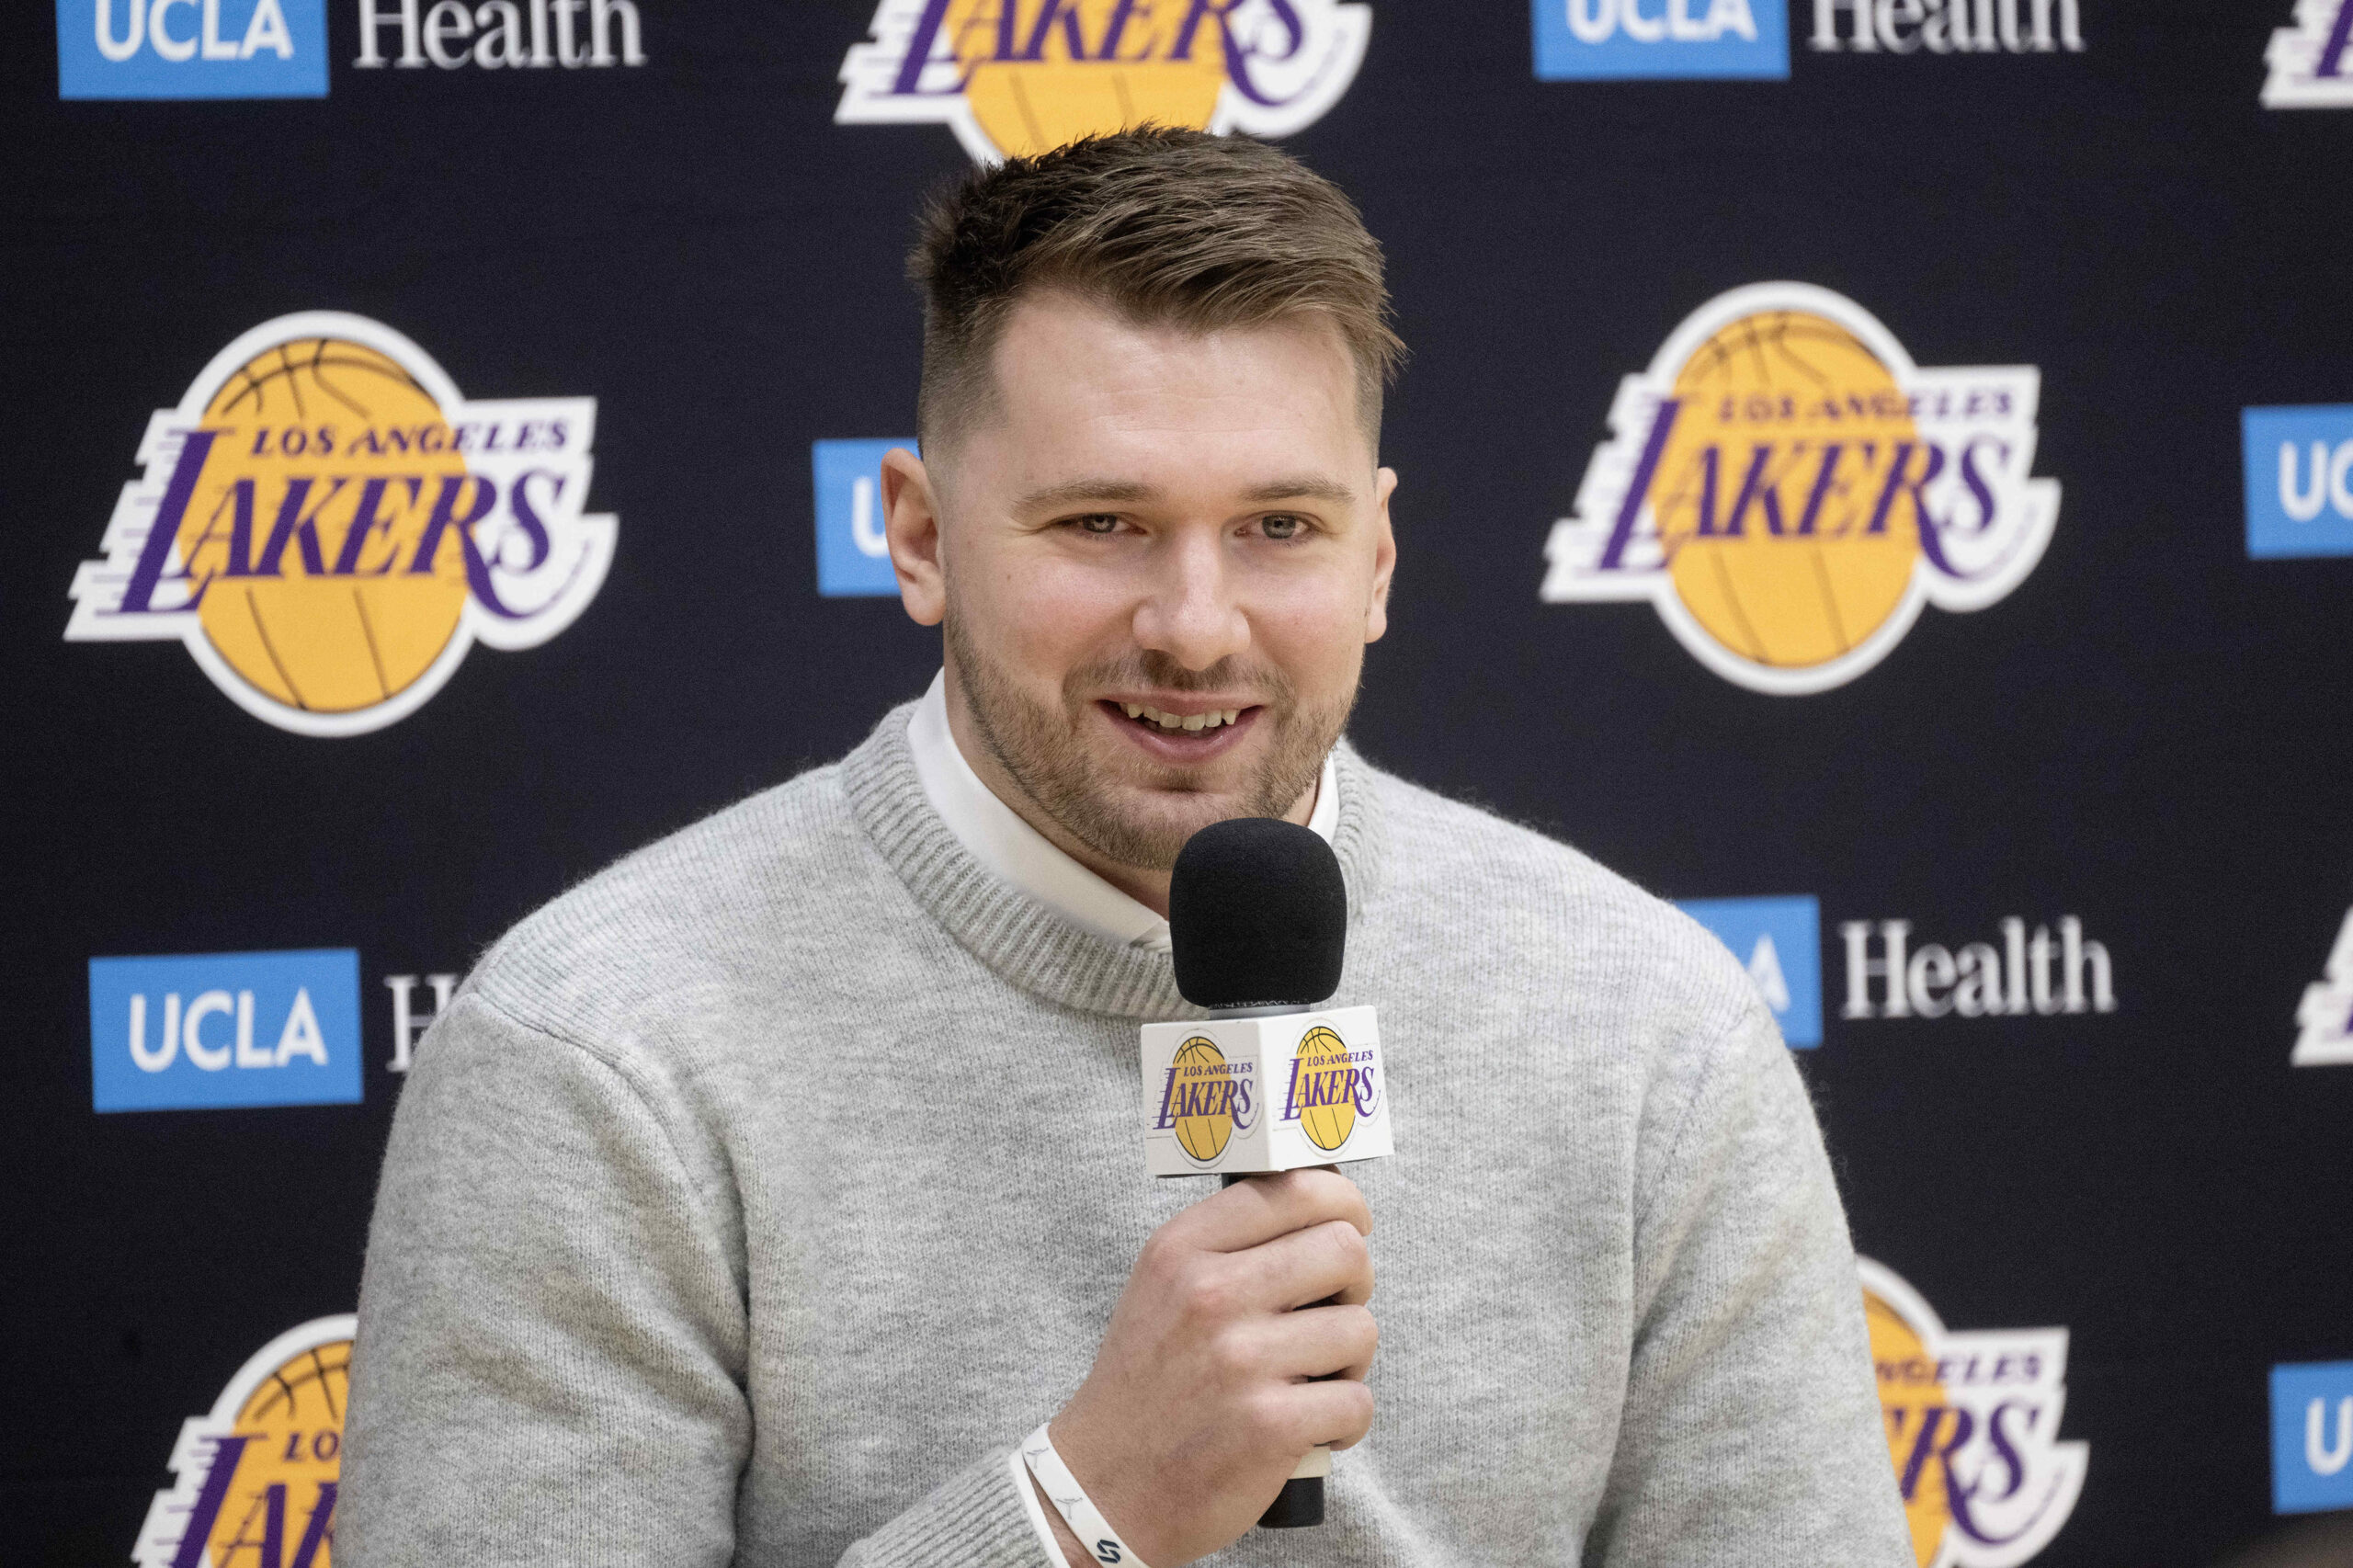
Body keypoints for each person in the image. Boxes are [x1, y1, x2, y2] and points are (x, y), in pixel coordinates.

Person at [340, 127, 1911, 1567]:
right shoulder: (596, 1049)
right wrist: (1080, 1511)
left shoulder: (1651, 1031)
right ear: (919, 535)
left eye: (1278, 529)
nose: (1195, 625)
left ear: (1378, 556)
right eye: (1102, 523)